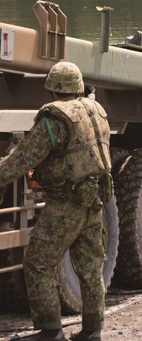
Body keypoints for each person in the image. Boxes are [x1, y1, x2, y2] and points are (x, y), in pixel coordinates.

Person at [0, 62, 111, 341]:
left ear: (51, 89)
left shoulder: (54, 120)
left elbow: (23, 159)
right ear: (78, 87)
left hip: (66, 203)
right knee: (90, 267)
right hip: (94, 200)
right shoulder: (95, 110)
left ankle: (50, 331)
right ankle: (92, 331)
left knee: (38, 263)